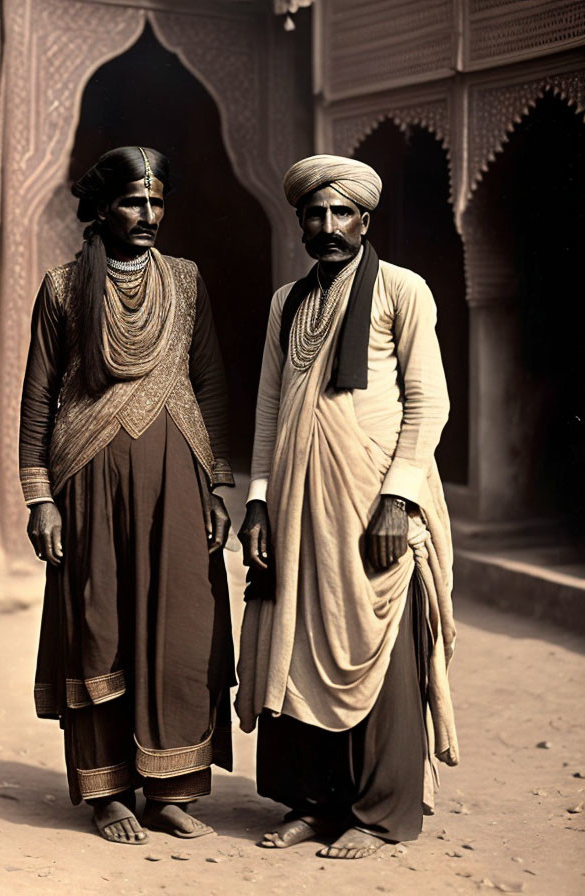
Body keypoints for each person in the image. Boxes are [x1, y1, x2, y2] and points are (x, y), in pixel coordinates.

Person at [236, 154, 458, 859]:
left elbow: (428, 404)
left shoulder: (402, 291)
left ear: (365, 220)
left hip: (373, 507)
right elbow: (271, 407)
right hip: (300, 509)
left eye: (342, 213)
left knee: (378, 647)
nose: (328, 226)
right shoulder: (286, 302)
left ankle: (378, 811)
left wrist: (400, 499)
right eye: (316, 213)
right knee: (298, 642)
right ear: (300, 220)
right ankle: (314, 802)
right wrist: (260, 502)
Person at [19, 146, 236, 845]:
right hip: (87, 485)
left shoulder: (187, 281)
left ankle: (170, 789)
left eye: (158, 202)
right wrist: (40, 498)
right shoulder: (60, 289)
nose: (148, 215)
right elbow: (38, 402)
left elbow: (209, 385)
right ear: (103, 208)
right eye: (134, 202)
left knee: (178, 627)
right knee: (99, 626)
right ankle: (107, 790)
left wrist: (216, 486)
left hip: (177, 480)